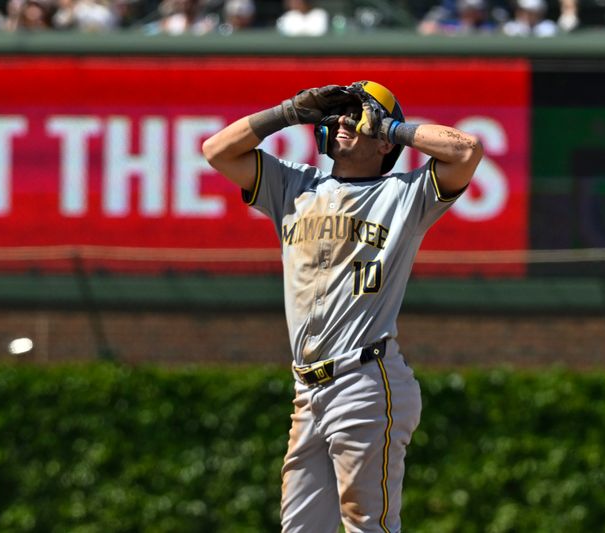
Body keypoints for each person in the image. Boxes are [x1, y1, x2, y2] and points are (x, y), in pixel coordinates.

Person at [202, 81, 483, 532]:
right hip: (306, 389)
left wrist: (392, 127)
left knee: (365, 525)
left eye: (358, 113)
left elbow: (467, 150)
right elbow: (216, 150)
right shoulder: (295, 183)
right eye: (339, 113)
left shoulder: (404, 196)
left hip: (365, 378)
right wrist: (288, 113)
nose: (344, 120)